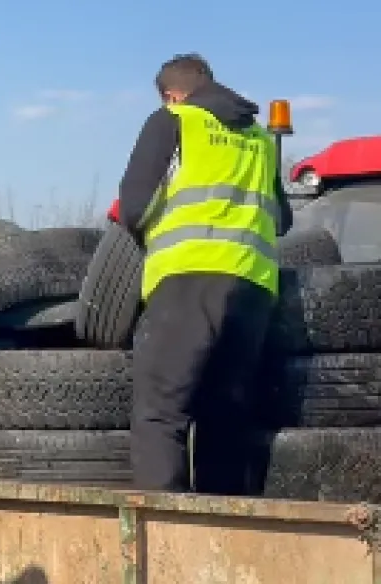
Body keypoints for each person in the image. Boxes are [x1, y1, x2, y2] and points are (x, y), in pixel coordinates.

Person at [115, 53, 293, 495]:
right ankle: (222, 541)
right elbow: (283, 219)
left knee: (160, 414)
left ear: (172, 95)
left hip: (186, 279)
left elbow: (134, 205)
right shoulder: (258, 138)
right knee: (225, 419)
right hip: (253, 288)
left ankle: (162, 548)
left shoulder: (173, 120)